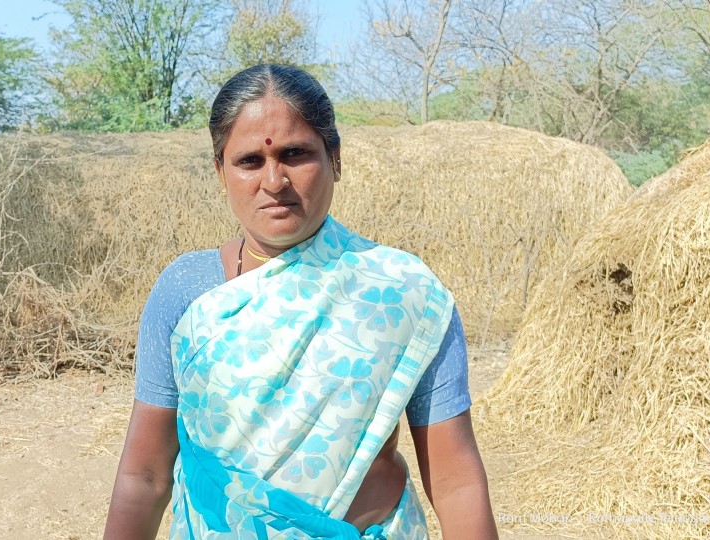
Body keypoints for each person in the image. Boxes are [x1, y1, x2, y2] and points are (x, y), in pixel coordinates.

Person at [104, 64, 497, 539]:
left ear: (335, 159)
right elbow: (144, 476)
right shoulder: (186, 290)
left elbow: (456, 482)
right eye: (250, 161)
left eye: (296, 154)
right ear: (220, 172)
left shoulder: (404, 291)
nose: (274, 181)